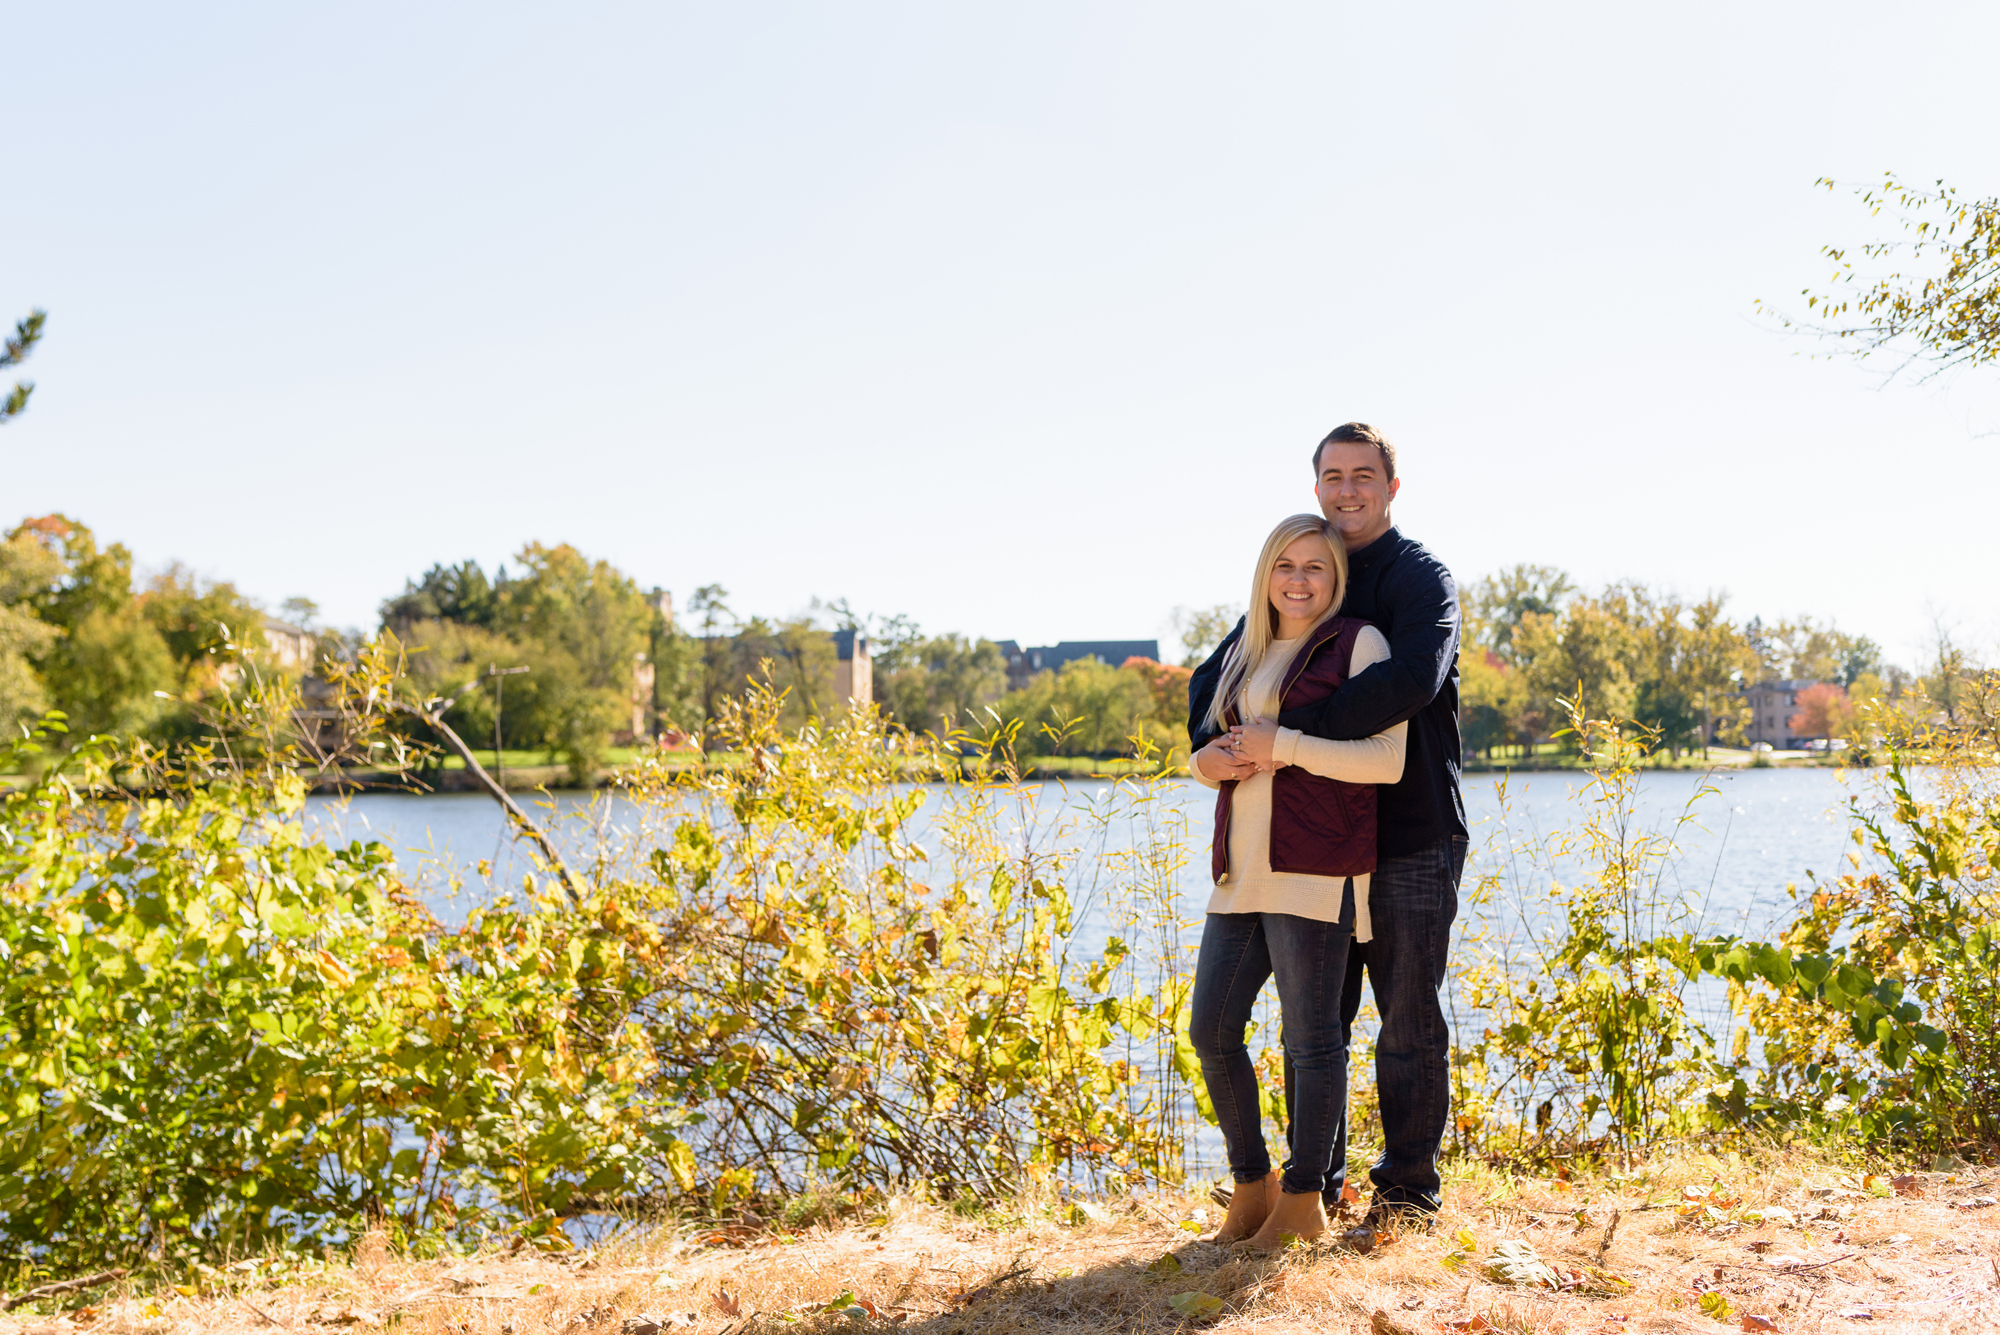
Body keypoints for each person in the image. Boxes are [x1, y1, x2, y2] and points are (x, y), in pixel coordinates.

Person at [1191, 422, 1466, 1240]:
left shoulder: (1420, 579)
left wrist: (1283, 736)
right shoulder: (1307, 571)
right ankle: (1319, 1186)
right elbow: (1214, 681)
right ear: (1316, 487)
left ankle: (1408, 1193)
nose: (1348, 489)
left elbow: (1414, 680)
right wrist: (1216, 749)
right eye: (1333, 476)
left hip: (1411, 830)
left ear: (1390, 485)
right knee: (1318, 1021)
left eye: (1364, 475)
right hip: (1316, 840)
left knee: (1408, 1017)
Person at [1185, 513, 1406, 1248]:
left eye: (1315, 566)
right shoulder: (1245, 648)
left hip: (1316, 867)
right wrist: (1203, 763)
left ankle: (1305, 1200)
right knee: (1211, 1028)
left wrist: (1290, 746)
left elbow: (1385, 761)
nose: (1300, 579)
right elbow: (1212, 746)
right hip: (1240, 869)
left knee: (1312, 1040)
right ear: (1266, 574)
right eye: (1286, 564)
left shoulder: (1358, 642)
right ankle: (1254, 1188)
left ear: (1335, 576)